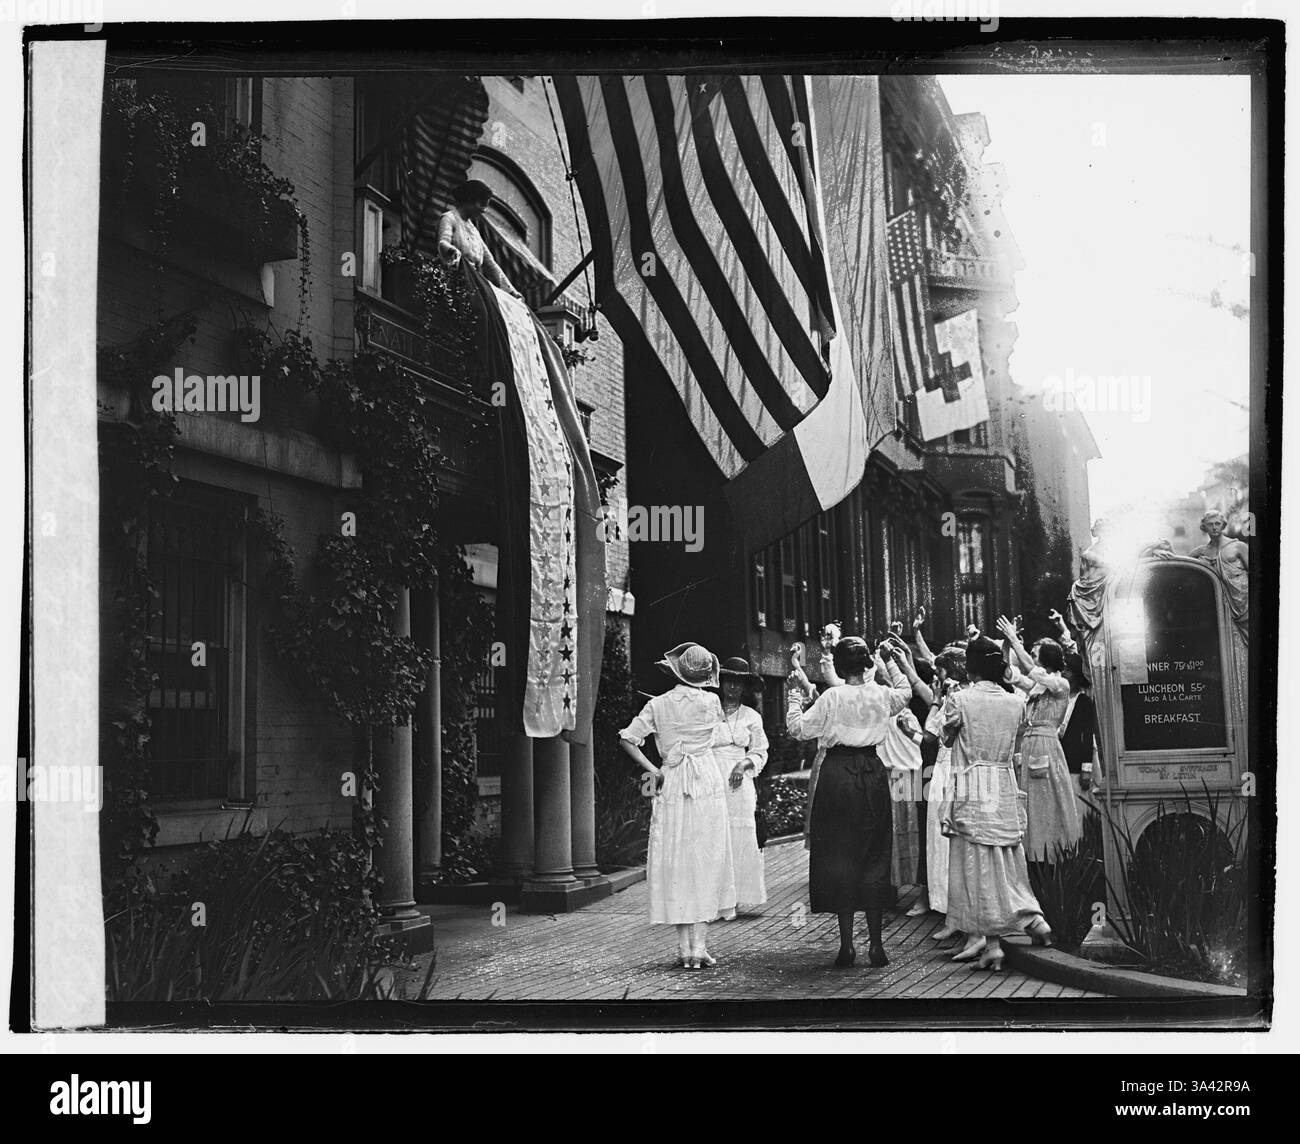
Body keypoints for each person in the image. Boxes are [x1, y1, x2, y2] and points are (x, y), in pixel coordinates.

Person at [787, 637, 910, 969]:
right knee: (874, 854)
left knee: (841, 855)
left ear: (840, 667)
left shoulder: (832, 697)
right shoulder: (882, 695)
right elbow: (906, 690)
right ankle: (876, 945)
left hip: (838, 775)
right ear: (867, 663)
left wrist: (794, 695)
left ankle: (847, 946)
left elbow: (797, 728)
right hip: (873, 773)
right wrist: (892, 662)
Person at [619, 642, 736, 969]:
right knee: (704, 859)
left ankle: (685, 949)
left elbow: (627, 738)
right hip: (704, 782)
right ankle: (697, 947)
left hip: (673, 782)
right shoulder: (712, 701)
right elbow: (714, 738)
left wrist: (654, 769)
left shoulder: (659, 704)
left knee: (677, 862)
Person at [940, 636, 1053, 972]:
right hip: (1003, 783)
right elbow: (1016, 742)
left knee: (978, 865)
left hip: (975, 785)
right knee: (1007, 858)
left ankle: (993, 945)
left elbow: (947, 737)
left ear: (971, 667)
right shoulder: (1015, 702)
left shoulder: (959, 699)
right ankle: (1033, 921)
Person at [995, 616, 1083, 863]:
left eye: (1035, 653)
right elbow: (1008, 673)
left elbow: (1032, 671)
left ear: (1046, 658)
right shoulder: (1036, 685)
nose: (1031, 657)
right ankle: (1034, 857)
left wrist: (1014, 639)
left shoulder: (1060, 684)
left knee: (1048, 804)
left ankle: (1054, 856)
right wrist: (1007, 644)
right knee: (1030, 805)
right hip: (1030, 746)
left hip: (1046, 745)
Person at [713, 657, 769, 914]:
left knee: (739, 835)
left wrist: (742, 765)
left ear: (744, 687)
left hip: (739, 780)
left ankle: (737, 897)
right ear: (721, 683)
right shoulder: (709, 711)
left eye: (738, 683)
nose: (732, 687)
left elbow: (761, 751)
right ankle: (714, 899)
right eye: (728, 681)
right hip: (711, 777)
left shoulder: (751, 716)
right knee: (714, 835)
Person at [926, 646, 967, 942]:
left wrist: (939, 698)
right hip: (942, 768)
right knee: (937, 841)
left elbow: (935, 732)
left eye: (939, 671)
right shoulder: (951, 695)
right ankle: (948, 910)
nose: (936, 677)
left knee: (947, 841)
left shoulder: (956, 696)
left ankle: (955, 912)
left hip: (950, 768)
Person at [437, 179, 523, 299]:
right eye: (482, 204)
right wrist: (453, 251)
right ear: (469, 199)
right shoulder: (449, 218)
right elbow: (443, 242)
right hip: (453, 283)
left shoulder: (474, 231)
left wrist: (512, 291)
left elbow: (490, 264)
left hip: (474, 285)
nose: (484, 210)